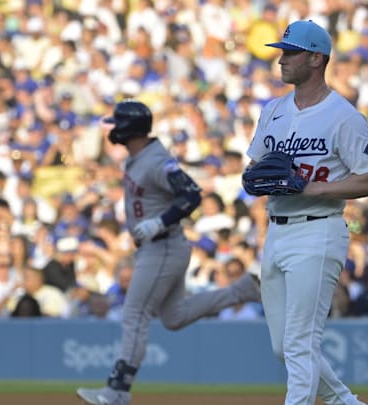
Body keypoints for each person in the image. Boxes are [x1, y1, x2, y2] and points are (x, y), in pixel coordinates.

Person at [77, 100, 261, 405]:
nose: (114, 130)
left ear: (130, 128)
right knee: (174, 317)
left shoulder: (156, 159)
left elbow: (191, 193)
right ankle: (241, 290)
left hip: (162, 244)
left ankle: (117, 390)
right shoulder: (139, 158)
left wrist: (159, 222)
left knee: (135, 313)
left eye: (119, 124)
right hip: (158, 247)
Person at [245, 20, 368, 405]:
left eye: (290, 52)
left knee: (300, 342)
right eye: (282, 51)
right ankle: (346, 402)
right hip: (277, 230)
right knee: (283, 347)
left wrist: (316, 187)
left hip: (318, 228)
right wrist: (257, 179)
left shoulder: (344, 116)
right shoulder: (273, 110)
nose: (281, 59)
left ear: (315, 58)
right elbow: (255, 167)